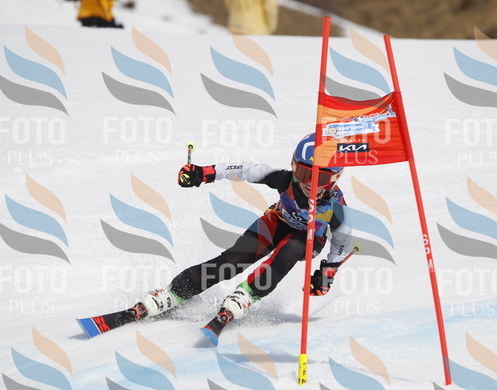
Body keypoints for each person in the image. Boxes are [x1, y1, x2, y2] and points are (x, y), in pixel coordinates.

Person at [127, 133, 352, 332]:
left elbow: (343, 241)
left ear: (335, 178)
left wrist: (327, 272)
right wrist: (204, 173)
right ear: (294, 166)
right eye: (303, 173)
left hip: (308, 237)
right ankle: (175, 292)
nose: (310, 183)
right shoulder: (284, 180)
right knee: (233, 260)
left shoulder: (336, 206)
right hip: (278, 220)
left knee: (290, 249)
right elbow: (245, 170)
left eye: (321, 178)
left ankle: (247, 294)